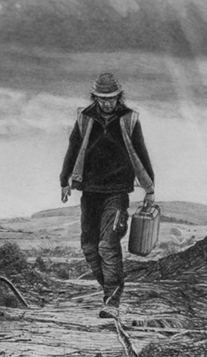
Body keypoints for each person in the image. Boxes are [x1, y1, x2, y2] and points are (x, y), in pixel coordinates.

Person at [59, 71, 156, 315]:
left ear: (118, 97)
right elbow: (73, 147)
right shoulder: (84, 118)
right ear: (95, 98)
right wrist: (64, 180)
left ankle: (112, 302)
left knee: (108, 244)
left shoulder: (129, 119)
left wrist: (150, 188)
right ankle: (111, 291)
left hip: (117, 191)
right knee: (89, 247)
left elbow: (141, 152)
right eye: (102, 99)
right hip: (89, 191)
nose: (107, 103)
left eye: (111, 98)